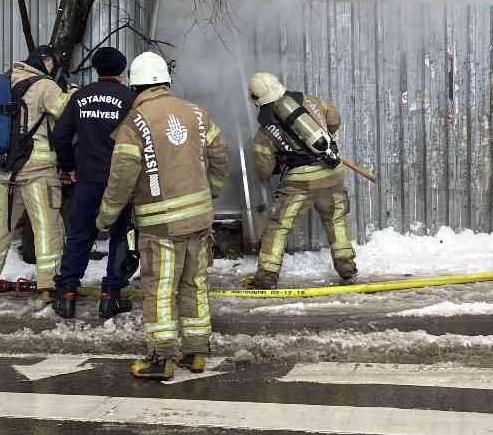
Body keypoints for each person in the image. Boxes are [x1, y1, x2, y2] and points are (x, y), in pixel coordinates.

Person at [97, 52, 230, 379]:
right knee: (195, 284)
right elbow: (221, 156)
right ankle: (197, 353)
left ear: (136, 85)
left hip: (161, 226)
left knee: (160, 288)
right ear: (165, 82)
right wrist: (210, 191)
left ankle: (162, 358)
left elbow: (122, 176)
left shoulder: (135, 122)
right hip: (200, 221)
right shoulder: (197, 114)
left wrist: (106, 216)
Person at [0, 46, 73, 310]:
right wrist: (72, 92)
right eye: (54, 62)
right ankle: (48, 287)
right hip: (38, 171)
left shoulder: (7, 81)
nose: (54, 67)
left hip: (6, 169)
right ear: (46, 61)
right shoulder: (44, 86)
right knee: (47, 227)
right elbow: (65, 111)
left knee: (0, 228)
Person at [245, 71, 357, 289]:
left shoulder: (265, 129)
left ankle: (266, 276)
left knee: (280, 225)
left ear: (257, 99)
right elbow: (334, 118)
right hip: (332, 172)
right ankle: (347, 269)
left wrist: (280, 161)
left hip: (300, 182)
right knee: (335, 219)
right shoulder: (309, 101)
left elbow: (264, 169)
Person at [50, 46, 137, 319]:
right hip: (119, 182)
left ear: (96, 70)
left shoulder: (80, 97)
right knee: (120, 236)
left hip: (87, 180)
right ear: (121, 72)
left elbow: (61, 136)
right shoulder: (131, 99)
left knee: (80, 235)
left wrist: (69, 167)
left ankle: (66, 296)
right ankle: (111, 297)